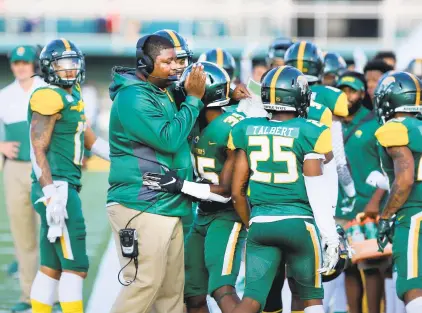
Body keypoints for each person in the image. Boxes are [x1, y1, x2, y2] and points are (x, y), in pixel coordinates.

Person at [106, 34, 206, 313]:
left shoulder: (162, 91)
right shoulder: (132, 96)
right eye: (167, 62)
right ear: (145, 63)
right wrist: (194, 99)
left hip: (167, 203)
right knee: (144, 283)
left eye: (177, 60)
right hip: (143, 202)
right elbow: (168, 139)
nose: (175, 67)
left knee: (171, 292)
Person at [228, 65, 339, 313]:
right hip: (299, 224)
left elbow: (237, 191)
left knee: (252, 299)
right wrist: (330, 236)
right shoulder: (311, 131)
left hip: (261, 222)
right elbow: (316, 190)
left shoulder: (247, 128)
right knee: (310, 299)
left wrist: (252, 223)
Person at [143, 61, 251, 313]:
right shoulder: (197, 122)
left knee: (222, 289)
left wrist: (180, 185)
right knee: (192, 294)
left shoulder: (232, 128)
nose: (183, 95)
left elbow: (226, 192)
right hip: (203, 215)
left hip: (228, 215)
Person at [28, 39, 110, 313]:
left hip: (63, 185)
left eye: (73, 63)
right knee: (76, 268)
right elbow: (36, 148)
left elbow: (88, 138)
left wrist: (121, 157)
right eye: (63, 65)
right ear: (50, 67)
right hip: (57, 187)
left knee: (50, 267)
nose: (70, 70)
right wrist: (50, 191)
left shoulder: (72, 93)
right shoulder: (48, 96)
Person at [336, 71, 387, 313]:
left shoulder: (375, 123)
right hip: (340, 205)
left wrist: (377, 200)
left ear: (362, 93)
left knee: (372, 265)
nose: (346, 96)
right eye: (342, 90)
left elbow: (388, 167)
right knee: (349, 267)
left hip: (368, 205)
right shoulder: (331, 124)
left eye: (351, 91)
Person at [0, 45, 46, 313]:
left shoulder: (47, 89)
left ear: (34, 64)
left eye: (25, 62)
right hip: (15, 169)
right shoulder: (4, 95)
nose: (20, 67)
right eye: (16, 62)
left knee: (52, 233)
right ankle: (29, 295)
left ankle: (55, 294)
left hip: (45, 168)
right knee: (23, 235)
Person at [374, 71, 422, 313]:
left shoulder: (394, 127)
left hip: (415, 214)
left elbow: (404, 179)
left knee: (412, 285)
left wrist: (386, 215)